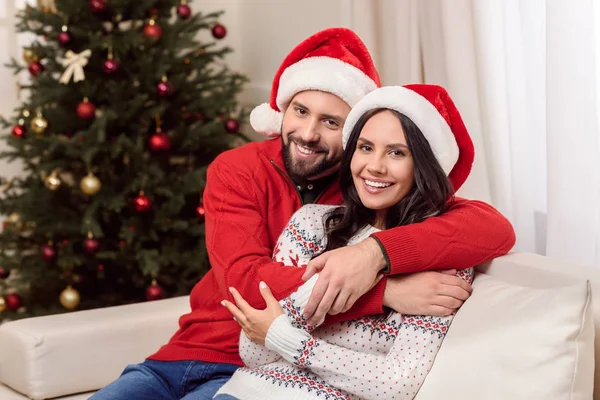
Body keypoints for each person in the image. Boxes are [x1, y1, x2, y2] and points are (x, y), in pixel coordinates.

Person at [91, 29, 514, 400]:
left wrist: (373, 255)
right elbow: (244, 284)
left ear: (351, 135)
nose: (308, 134)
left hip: (262, 371)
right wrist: (381, 291)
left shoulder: (365, 193)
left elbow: (491, 228)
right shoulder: (238, 170)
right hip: (190, 352)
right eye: (300, 112)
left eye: (331, 121)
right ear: (282, 110)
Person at [215, 84, 477, 400]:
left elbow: (395, 383)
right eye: (365, 147)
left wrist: (287, 338)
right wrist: (356, 282)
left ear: (424, 165)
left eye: (396, 152)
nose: (375, 166)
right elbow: (253, 349)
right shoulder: (311, 223)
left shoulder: (440, 265)